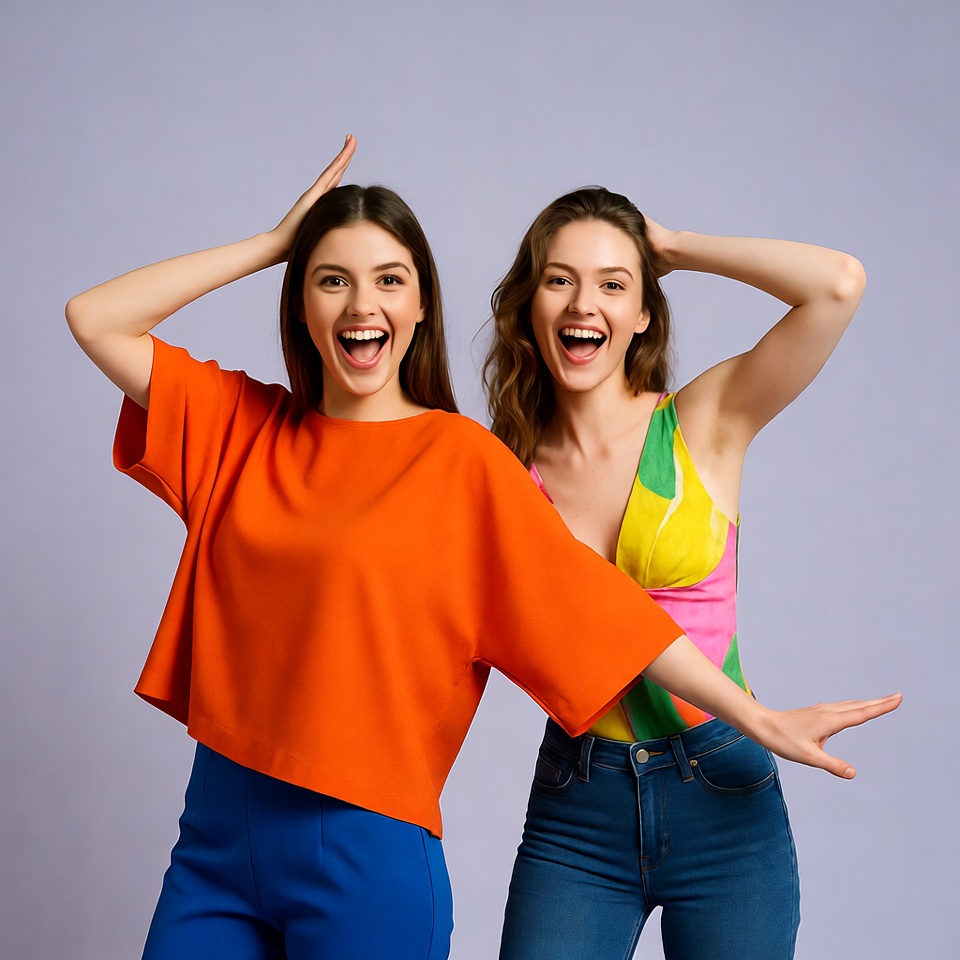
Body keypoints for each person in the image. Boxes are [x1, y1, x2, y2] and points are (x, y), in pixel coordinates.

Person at [66, 139, 898, 960]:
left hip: (400, 831)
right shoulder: (255, 430)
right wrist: (276, 243)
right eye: (332, 280)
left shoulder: (474, 460)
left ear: (422, 302)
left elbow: (602, 611)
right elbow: (95, 319)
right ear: (301, 304)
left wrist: (752, 716)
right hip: (239, 827)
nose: (362, 304)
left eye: (389, 280)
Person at [484, 186, 899, 960]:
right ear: (528, 303)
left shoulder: (705, 420)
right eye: (559, 278)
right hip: (578, 807)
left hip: (725, 793)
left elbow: (837, 283)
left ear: (645, 311)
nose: (585, 303)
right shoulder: (500, 472)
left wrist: (671, 246)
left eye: (614, 283)